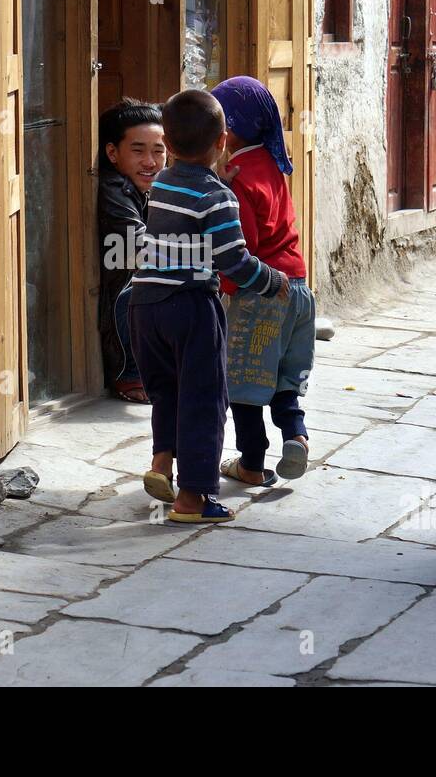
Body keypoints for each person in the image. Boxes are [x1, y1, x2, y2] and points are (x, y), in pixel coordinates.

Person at [128, 89, 287, 524]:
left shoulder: (161, 182)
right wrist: (273, 281)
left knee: (168, 393)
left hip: (144, 304)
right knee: (203, 400)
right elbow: (233, 259)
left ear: (169, 145)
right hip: (190, 306)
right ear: (221, 143)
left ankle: (162, 465)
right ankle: (192, 500)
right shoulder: (219, 198)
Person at [209, 76, 313, 487]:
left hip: (262, 292)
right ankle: (297, 437)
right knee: (285, 378)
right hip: (299, 289)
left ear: (229, 129)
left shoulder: (237, 177)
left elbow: (242, 250)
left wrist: (225, 294)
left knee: (243, 382)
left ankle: (251, 463)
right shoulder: (270, 162)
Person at [97, 98, 166, 404]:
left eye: (158, 150)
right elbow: (140, 246)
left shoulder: (154, 186)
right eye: (138, 151)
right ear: (113, 153)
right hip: (121, 295)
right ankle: (130, 374)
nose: (150, 161)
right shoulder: (115, 189)